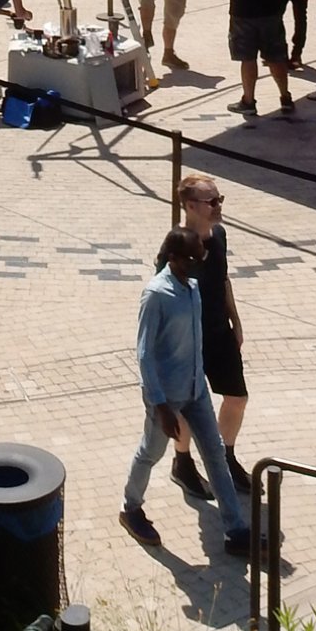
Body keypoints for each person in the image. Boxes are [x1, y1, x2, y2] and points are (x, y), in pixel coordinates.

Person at [118, 227, 250, 555]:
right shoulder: (156, 294)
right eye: (194, 260)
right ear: (174, 258)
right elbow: (145, 353)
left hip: (196, 390)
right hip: (167, 396)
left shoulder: (192, 287)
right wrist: (161, 406)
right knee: (151, 452)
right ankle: (130, 508)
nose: (199, 266)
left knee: (216, 454)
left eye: (201, 260)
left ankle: (236, 530)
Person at [168, 173, 251, 497]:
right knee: (188, 404)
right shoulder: (178, 245)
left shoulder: (220, 236)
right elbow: (165, 296)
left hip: (220, 333)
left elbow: (223, 280)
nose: (218, 206)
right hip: (189, 339)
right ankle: (182, 462)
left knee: (237, 397)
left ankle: (224, 456)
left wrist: (237, 323)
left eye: (220, 199)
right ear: (190, 206)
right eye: (211, 201)